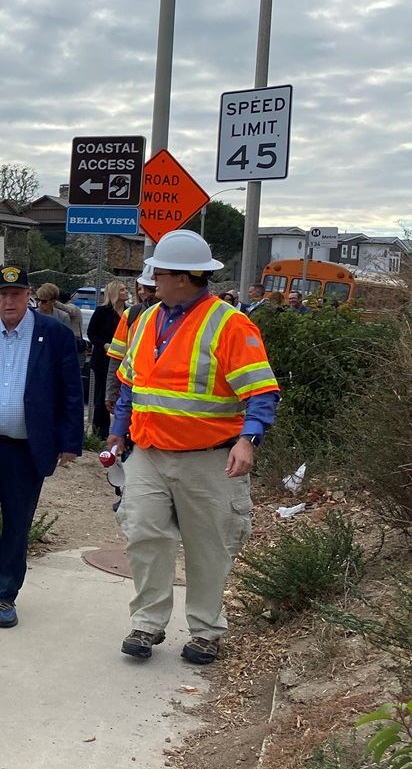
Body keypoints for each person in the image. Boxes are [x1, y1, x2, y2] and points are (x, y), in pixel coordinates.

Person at [105, 229, 280, 665]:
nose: (150, 282)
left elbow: (261, 391)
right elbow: (131, 385)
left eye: (158, 275)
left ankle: (204, 630)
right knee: (144, 535)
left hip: (209, 458)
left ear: (184, 278)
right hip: (147, 453)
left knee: (209, 548)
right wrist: (117, 428)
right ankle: (147, 623)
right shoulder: (145, 320)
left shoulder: (230, 324)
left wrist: (248, 439)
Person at [0, 266, 85, 627]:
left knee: (17, 522)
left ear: (28, 295)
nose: (9, 300)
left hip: (26, 449)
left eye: (16, 294)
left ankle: (4, 594)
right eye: (2, 294)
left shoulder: (55, 335)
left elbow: (70, 392)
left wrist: (70, 442)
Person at [105, 261, 158, 416]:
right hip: (131, 390)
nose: (144, 293)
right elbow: (117, 357)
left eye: (150, 289)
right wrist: (111, 392)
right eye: (142, 288)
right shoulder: (131, 314)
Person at [86, 280, 128, 440]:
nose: (126, 292)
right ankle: (99, 432)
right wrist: (103, 345)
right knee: (102, 395)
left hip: (121, 360)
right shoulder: (102, 311)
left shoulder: (128, 312)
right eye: (123, 289)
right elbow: (91, 333)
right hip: (102, 359)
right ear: (115, 292)